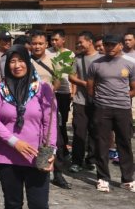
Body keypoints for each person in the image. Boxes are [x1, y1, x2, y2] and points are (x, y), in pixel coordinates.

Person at [0, 45, 58, 209]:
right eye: (12, 61)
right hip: (6, 157)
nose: (16, 66)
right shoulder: (0, 90)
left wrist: (51, 150)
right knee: (13, 202)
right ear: (6, 65)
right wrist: (13, 142)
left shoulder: (42, 88)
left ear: (27, 62)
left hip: (37, 157)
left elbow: (50, 122)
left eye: (21, 61)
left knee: (39, 205)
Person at [86, 34, 135, 193]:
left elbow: (133, 87)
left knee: (125, 143)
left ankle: (127, 179)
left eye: (113, 44)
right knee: (102, 143)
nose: (109, 48)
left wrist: (123, 96)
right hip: (102, 108)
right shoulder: (96, 64)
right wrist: (100, 100)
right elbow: (90, 86)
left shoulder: (129, 64)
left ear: (120, 45)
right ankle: (103, 178)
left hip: (123, 109)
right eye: (107, 45)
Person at [29, 30, 71, 190]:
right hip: (30, 106)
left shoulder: (55, 60)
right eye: (34, 43)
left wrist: (49, 94)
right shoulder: (26, 61)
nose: (37, 46)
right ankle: (35, 166)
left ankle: (58, 173)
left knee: (55, 139)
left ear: (46, 44)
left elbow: (58, 80)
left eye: (40, 43)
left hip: (48, 105)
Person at [67, 31, 101, 173]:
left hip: (99, 101)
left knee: (95, 131)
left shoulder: (102, 59)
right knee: (79, 131)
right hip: (80, 101)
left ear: (90, 42)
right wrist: (84, 83)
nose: (79, 45)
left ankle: (91, 159)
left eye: (81, 42)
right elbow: (71, 76)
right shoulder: (77, 58)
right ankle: (76, 161)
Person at [47, 30, 74, 159]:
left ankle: (64, 149)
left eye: (56, 39)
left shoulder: (70, 54)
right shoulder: (47, 53)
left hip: (64, 92)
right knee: (50, 121)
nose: (54, 42)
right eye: (52, 40)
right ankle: (53, 148)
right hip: (50, 91)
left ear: (63, 40)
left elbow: (73, 74)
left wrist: (73, 91)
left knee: (62, 121)